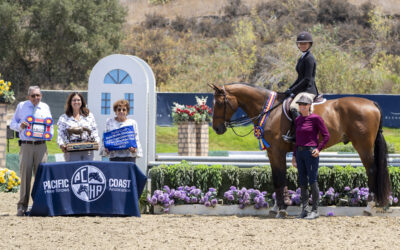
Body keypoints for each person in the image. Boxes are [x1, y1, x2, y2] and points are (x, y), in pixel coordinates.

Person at [10, 86, 53, 216]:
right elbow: (12, 124)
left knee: (40, 176)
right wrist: (20, 126)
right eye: (33, 95)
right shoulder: (21, 106)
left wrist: (49, 134)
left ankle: (39, 205)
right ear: (28, 96)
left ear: (41, 96)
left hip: (41, 146)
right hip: (26, 145)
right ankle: (22, 206)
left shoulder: (45, 107)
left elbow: (50, 126)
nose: (36, 98)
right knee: (25, 177)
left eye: (38, 95)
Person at [291, 95, 330, 219]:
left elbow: (326, 135)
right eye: (300, 105)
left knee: (312, 181)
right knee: (302, 182)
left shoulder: (316, 119)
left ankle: (315, 210)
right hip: (300, 153)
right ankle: (305, 210)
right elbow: (296, 140)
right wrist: (294, 156)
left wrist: (319, 149)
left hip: (311, 153)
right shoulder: (297, 120)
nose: (301, 107)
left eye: (304, 105)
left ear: (309, 106)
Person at [282, 31, 319, 143]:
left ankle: (300, 134)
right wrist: (289, 89)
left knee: (294, 106)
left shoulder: (309, 58)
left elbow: (307, 79)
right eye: (300, 43)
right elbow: (299, 78)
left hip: (308, 90)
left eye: (305, 43)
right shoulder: (302, 58)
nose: (302, 45)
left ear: (310, 44)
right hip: (302, 90)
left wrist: (293, 90)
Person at [57, 92, 100, 161]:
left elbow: (94, 130)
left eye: (78, 100)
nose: (76, 102)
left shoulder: (89, 116)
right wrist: (61, 144)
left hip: (87, 150)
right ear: (70, 102)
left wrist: (97, 141)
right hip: (71, 151)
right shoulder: (63, 118)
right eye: (74, 100)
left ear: (82, 102)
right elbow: (60, 134)